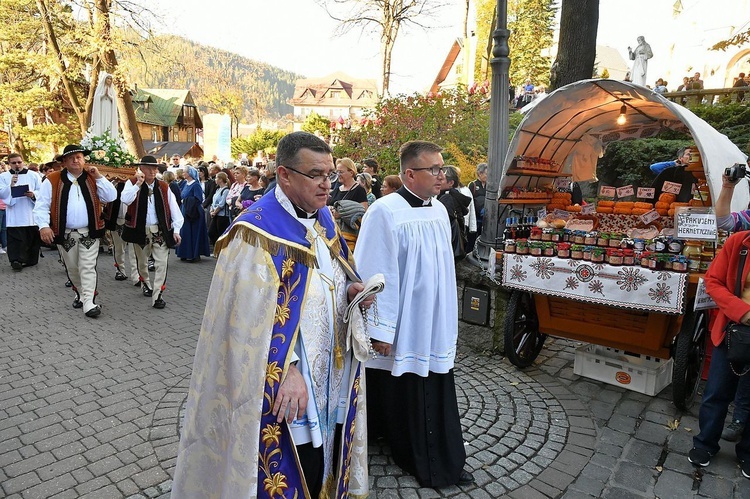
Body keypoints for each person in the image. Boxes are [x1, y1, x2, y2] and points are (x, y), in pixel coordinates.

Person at [173, 131, 370, 498]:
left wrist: (351, 292)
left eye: (330, 173)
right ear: (284, 175)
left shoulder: (324, 218)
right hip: (284, 381)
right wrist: (288, 367)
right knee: (292, 467)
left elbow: (332, 277)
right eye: (316, 175)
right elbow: (244, 322)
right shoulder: (256, 232)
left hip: (331, 374)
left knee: (327, 459)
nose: (327, 184)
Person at [354, 140, 474, 488]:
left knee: (430, 374)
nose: (442, 175)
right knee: (404, 382)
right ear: (410, 173)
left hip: (433, 314)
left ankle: (401, 439)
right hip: (405, 318)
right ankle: (420, 454)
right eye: (434, 169)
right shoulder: (384, 211)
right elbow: (377, 273)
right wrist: (381, 331)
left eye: (442, 168)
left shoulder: (437, 208)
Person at [688, 229, 750, 477]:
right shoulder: (739, 242)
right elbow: (713, 280)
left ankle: (747, 451)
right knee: (716, 392)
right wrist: (741, 311)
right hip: (733, 330)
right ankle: (705, 443)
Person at [33, 144, 117, 318]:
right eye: (71, 158)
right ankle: (80, 293)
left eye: (79, 156)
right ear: (64, 162)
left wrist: (100, 177)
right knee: (72, 268)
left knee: (87, 267)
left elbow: (111, 197)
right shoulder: (53, 179)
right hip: (65, 234)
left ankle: (89, 302)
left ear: (84, 159)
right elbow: (41, 206)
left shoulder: (93, 177)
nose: (75, 160)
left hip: (90, 233)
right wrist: (44, 226)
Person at [120, 156, 184, 308]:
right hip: (140, 231)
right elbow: (125, 199)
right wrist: (138, 185)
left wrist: (176, 230)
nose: (153, 171)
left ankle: (157, 295)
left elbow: (174, 208)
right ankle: (146, 283)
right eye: (149, 168)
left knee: (162, 263)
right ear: (140, 168)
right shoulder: (131, 182)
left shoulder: (163, 186)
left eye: (155, 168)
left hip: (159, 231)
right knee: (142, 263)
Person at [0, 153, 42, 271]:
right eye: (13, 163)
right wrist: (11, 185)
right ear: (9, 164)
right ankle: (16, 260)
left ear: (23, 162)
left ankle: (30, 260)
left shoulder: (33, 175)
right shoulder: (4, 176)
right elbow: (1, 193)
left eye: (19, 162)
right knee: (16, 239)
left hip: (30, 212)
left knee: (30, 237)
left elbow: (41, 190)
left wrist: (33, 194)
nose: (17, 165)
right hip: (14, 213)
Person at [102, 179, 139, 284]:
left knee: (134, 251)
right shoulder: (113, 184)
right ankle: (120, 270)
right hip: (118, 220)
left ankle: (136, 275)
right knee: (119, 248)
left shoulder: (135, 183)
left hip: (132, 221)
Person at [175, 166, 210, 262]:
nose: (183, 174)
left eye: (185, 172)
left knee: (193, 233)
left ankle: (194, 254)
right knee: (185, 231)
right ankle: (184, 253)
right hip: (185, 209)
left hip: (193, 212)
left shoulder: (196, 185)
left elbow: (198, 198)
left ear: (189, 173)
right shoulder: (186, 184)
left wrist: (185, 201)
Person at [438, 166, 472, 261]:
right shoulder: (455, 196)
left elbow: (444, 225)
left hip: (449, 246)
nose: (438, 181)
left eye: (441, 179)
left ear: (451, 183)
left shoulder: (447, 198)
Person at [90, 72, 119, 138]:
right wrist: (103, 95)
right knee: (102, 120)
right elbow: (96, 98)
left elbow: (114, 100)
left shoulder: (112, 89)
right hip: (101, 108)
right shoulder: (100, 88)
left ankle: (108, 136)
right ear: (104, 79)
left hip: (109, 108)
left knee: (108, 122)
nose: (109, 80)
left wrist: (109, 96)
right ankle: (100, 136)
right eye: (108, 78)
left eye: (110, 79)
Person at [207, 171, 230, 245]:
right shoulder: (217, 190)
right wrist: (211, 210)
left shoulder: (226, 190)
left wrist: (215, 212)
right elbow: (213, 202)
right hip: (216, 214)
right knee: (211, 232)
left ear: (221, 179)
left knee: (220, 233)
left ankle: (220, 249)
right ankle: (216, 248)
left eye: (217, 178)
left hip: (222, 215)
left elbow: (222, 203)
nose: (215, 180)